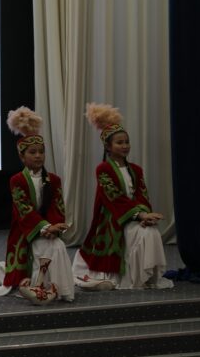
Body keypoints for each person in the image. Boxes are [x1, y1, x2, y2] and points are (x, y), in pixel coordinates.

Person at [72, 103, 173, 290]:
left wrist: (146, 216)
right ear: (108, 147)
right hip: (113, 219)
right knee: (141, 233)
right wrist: (139, 215)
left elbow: (142, 195)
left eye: (127, 142)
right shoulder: (103, 169)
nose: (125, 146)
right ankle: (123, 276)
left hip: (134, 215)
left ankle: (146, 277)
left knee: (150, 232)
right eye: (119, 143)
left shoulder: (136, 169)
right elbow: (114, 198)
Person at [0, 106, 74, 301]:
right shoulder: (17, 180)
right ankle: (32, 282)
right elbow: (24, 209)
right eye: (32, 152)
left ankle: (58, 287)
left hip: (47, 228)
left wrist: (54, 227)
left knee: (58, 245)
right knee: (46, 248)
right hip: (26, 230)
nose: (38, 156)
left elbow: (57, 206)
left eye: (41, 152)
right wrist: (45, 228)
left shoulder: (54, 179)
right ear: (22, 156)